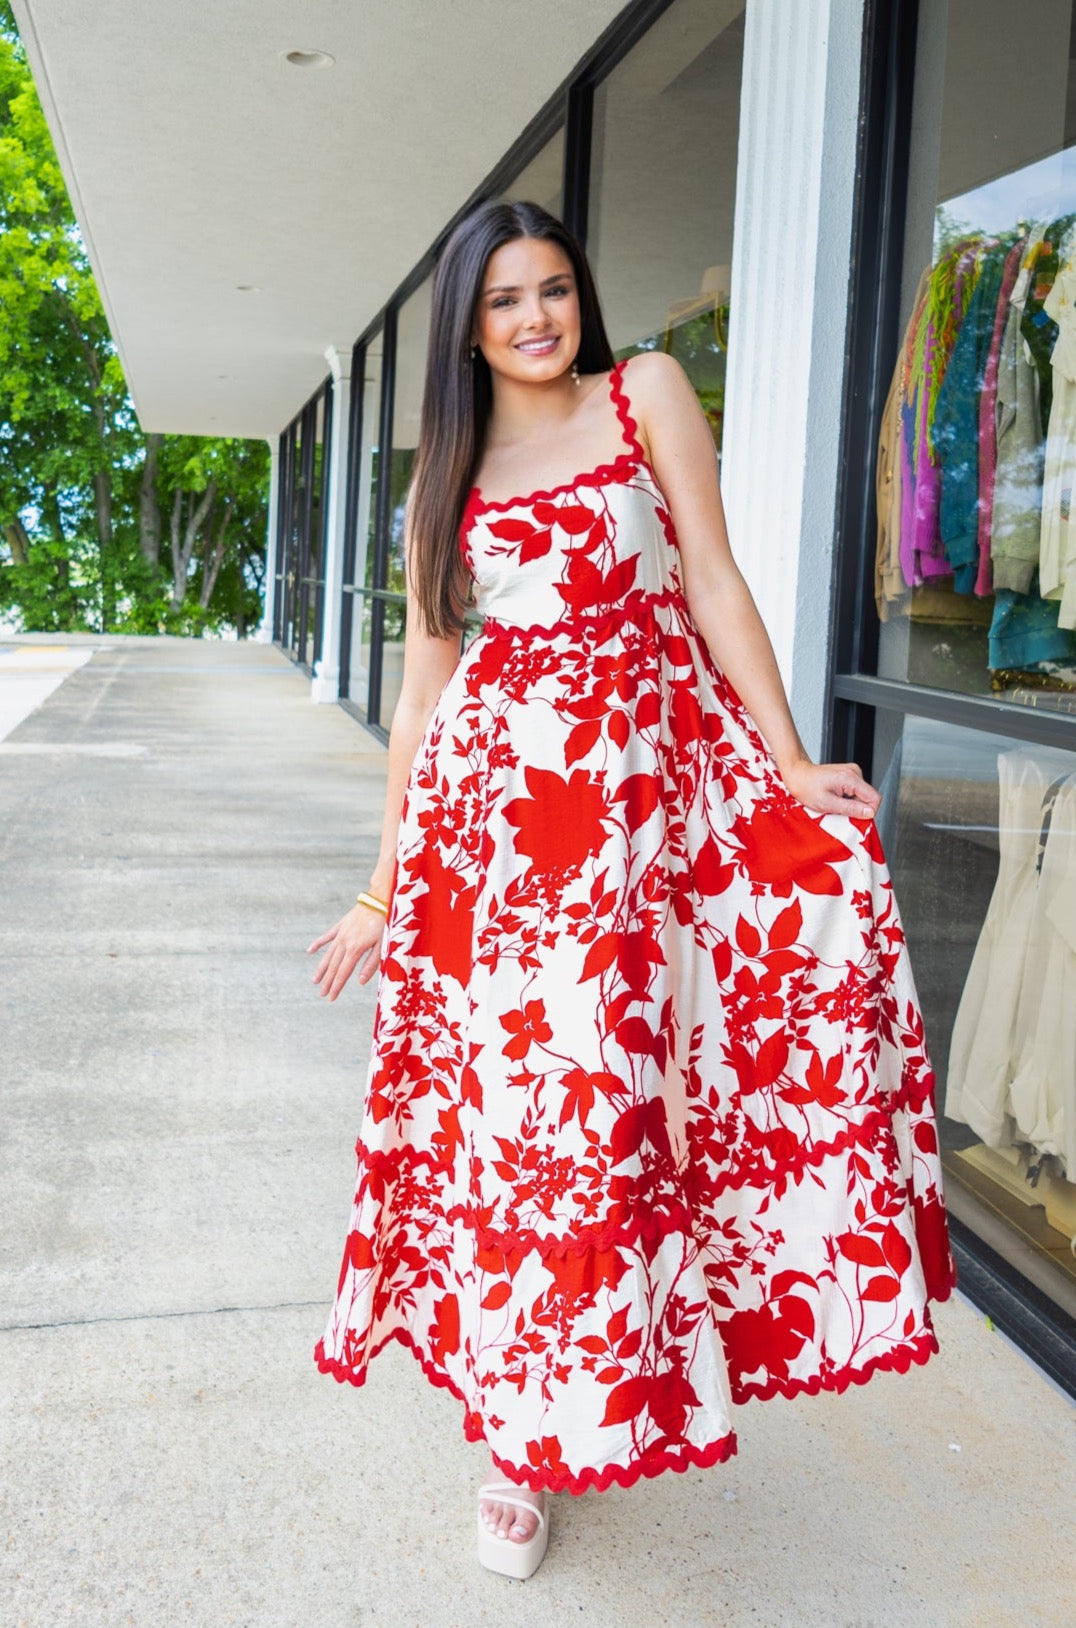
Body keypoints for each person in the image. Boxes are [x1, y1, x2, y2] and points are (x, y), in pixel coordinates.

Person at [308, 200, 956, 1581]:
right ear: (465, 331)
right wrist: (381, 888)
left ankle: (652, 1362)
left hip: (661, 810)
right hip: (515, 841)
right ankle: (517, 1442)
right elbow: (426, 696)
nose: (537, 317)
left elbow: (713, 582)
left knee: (666, 1095)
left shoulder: (645, 390)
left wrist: (787, 761)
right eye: (504, 302)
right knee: (536, 1130)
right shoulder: (452, 463)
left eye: (553, 289)